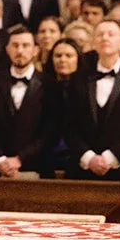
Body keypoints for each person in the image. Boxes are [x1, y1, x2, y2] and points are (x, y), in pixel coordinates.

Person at [62, 19, 120, 181]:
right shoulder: (77, 80)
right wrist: (89, 158)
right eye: (100, 34)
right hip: (82, 171)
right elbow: (68, 125)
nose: (105, 38)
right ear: (93, 43)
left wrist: (110, 158)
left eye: (111, 34)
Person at [0, 27, 46, 178]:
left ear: (35, 50)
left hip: (36, 169)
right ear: (7, 49)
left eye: (25, 45)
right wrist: (0, 159)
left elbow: (50, 132)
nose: (20, 51)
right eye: (15, 45)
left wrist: (20, 158)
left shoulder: (50, 85)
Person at [41, 36, 83, 176]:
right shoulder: (41, 88)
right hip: (46, 152)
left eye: (69, 55)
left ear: (78, 59)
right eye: (58, 55)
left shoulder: (87, 89)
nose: (62, 60)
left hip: (79, 154)